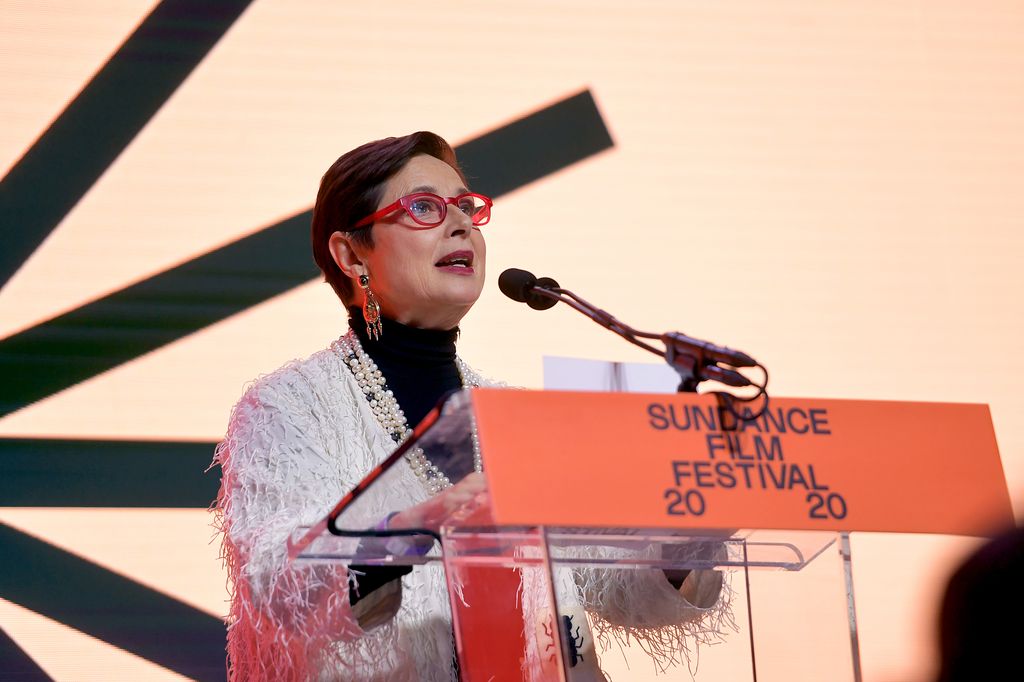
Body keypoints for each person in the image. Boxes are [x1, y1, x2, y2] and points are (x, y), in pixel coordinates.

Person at [212, 132, 726, 682]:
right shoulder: (287, 406)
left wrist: (684, 536)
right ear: (351, 253)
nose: (460, 224)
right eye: (425, 208)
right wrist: (415, 524)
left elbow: (612, 584)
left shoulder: (515, 417)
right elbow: (276, 580)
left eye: (465, 207)